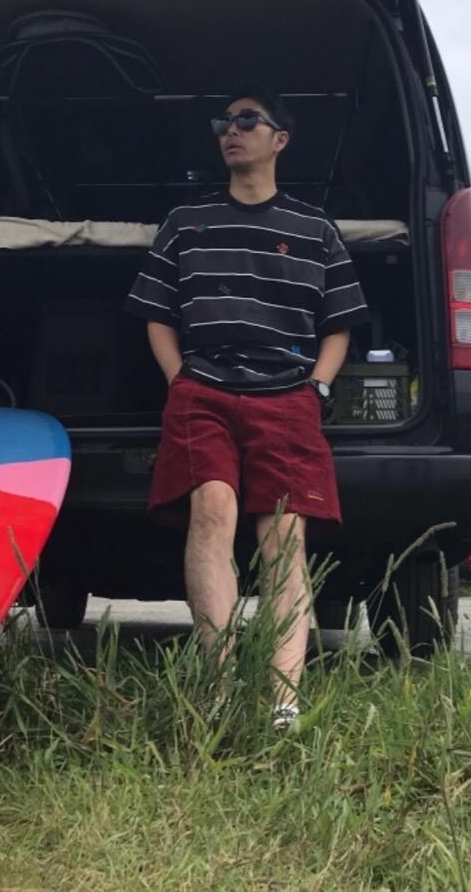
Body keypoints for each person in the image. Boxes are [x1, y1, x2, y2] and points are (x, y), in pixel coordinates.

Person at [125, 87, 369, 731]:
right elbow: (157, 313)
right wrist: (180, 380)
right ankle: (217, 691)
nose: (229, 131)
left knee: (283, 538)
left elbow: (340, 323)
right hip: (202, 388)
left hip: (287, 395)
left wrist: (317, 387)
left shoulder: (315, 229)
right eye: (223, 122)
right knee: (211, 511)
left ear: (280, 139)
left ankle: (283, 702)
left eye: (246, 120)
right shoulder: (187, 221)